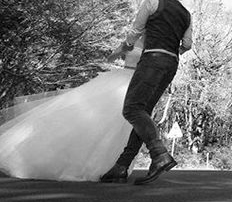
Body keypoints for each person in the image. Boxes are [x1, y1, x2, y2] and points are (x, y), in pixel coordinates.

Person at [0, 41, 141, 181]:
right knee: (103, 121)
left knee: (123, 125)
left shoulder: (158, 40)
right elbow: (110, 58)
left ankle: (114, 165)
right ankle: (91, 164)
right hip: (121, 79)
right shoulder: (131, 39)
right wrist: (121, 50)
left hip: (139, 81)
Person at [100, 0, 192, 185]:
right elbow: (186, 44)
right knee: (144, 113)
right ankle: (121, 166)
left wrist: (122, 49)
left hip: (152, 59)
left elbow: (136, 31)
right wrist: (170, 50)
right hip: (171, 63)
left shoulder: (152, 3)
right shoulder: (187, 15)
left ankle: (159, 154)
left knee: (131, 109)